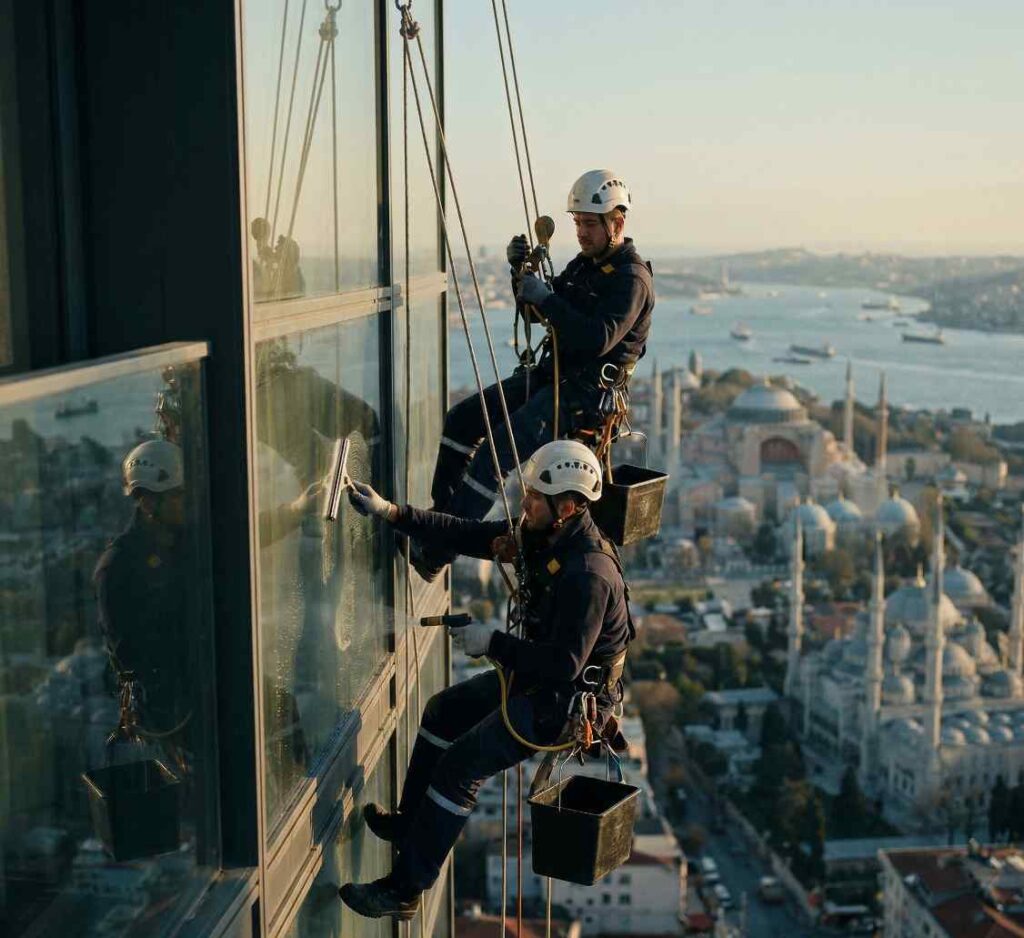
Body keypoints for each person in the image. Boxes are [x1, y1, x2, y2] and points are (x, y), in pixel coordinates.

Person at [338, 440, 635, 921]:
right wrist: (391, 512)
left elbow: (564, 664)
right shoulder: (544, 537)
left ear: (565, 506)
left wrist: (490, 642)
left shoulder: (588, 574)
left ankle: (404, 890)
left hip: (563, 704)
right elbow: (470, 534)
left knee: (460, 767)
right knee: (442, 711)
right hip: (536, 678)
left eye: (534, 497)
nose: (525, 504)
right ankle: (410, 823)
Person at [416, 170, 655, 581]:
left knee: (495, 456)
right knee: (462, 419)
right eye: (577, 223)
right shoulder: (586, 266)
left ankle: (437, 548)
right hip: (552, 378)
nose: (580, 232)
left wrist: (547, 298)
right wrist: (519, 276)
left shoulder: (631, 280)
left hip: (582, 397)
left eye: (589, 224)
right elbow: (538, 310)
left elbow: (597, 337)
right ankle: (443, 520)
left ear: (617, 223)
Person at [95, 439, 193, 751]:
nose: (186, 502)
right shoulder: (117, 567)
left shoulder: (185, 540)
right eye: (178, 495)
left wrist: (295, 509)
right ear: (149, 503)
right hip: (168, 708)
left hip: (194, 685)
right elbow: (128, 652)